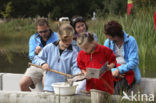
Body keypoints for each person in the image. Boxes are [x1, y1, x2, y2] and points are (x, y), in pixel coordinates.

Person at [34, 24, 81, 92]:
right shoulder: (49, 47)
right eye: (65, 40)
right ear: (59, 36)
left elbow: (74, 67)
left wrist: (78, 73)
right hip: (49, 87)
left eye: (70, 39)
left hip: (64, 87)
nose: (68, 42)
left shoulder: (74, 52)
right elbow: (36, 58)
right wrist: (42, 63)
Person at [19, 18, 58, 91]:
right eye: (40, 32)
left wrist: (44, 53)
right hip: (37, 65)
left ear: (49, 27)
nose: (43, 34)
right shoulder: (33, 38)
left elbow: (61, 54)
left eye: (45, 31)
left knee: (46, 84)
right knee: (22, 84)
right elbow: (31, 56)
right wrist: (35, 53)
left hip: (51, 66)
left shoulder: (57, 36)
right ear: (37, 30)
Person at [104, 20, 141, 94]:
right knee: (105, 91)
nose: (107, 37)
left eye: (108, 35)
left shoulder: (131, 41)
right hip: (112, 72)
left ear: (115, 35)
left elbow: (134, 62)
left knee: (116, 93)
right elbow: (104, 62)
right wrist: (114, 72)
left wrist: (119, 70)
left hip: (128, 72)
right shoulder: (108, 42)